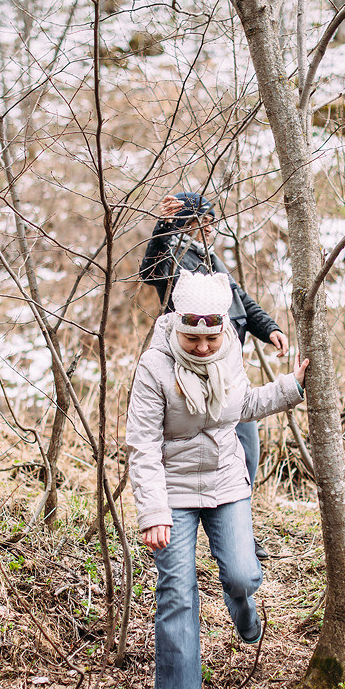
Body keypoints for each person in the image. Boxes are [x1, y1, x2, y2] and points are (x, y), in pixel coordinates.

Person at [126, 269, 309, 689]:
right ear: (176, 324)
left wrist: (293, 386)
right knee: (177, 597)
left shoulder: (229, 348)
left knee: (243, 576)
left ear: (223, 328)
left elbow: (243, 404)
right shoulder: (154, 366)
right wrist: (153, 512)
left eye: (211, 337)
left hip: (227, 482)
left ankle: (243, 605)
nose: (204, 347)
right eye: (194, 338)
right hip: (175, 493)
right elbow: (142, 446)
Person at [139, 192, 289, 560]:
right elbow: (149, 270)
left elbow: (241, 299)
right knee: (197, 454)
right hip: (187, 371)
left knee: (244, 456)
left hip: (228, 370)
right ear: (187, 224)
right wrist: (164, 226)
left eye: (210, 222)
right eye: (201, 222)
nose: (209, 229)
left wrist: (268, 328)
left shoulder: (212, 259)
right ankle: (188, 529)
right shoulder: (176, 258)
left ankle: (240, 536)